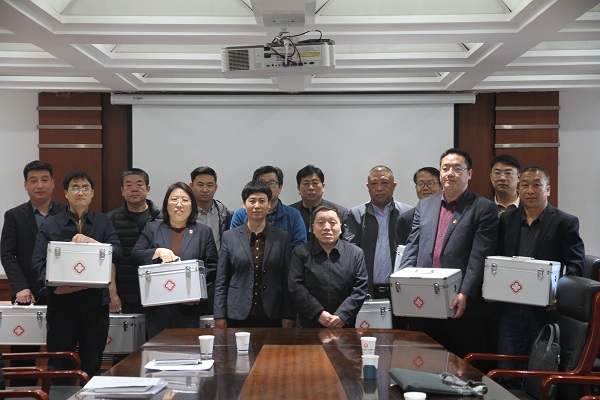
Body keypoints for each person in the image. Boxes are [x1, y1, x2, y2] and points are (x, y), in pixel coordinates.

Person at [399, 149, 499, 358]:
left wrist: (465, 292)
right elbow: (412, 247)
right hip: (426, 298)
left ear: (469, 174)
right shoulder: (425, 205)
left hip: (461, 301)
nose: (450, 173)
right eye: (445, 168)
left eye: (457, 169)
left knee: (464, 363)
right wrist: (403, 282)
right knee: (427, 359)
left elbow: (479, 255)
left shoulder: (484, 208)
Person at [497, 166, 584, 382]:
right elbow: (497, 257)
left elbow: (575, 265)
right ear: (519, 188)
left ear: (548, 190)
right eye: (525, 185)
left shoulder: (564, 222)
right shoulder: (507, 219)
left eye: (537, 185)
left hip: (544, 310)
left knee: (540, 372)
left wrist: (558, 294)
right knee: (508, 368)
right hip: (510, 307)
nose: (530, 190)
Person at [32, 171, 122, 378]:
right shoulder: (50, 224)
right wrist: (55, 287)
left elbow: (118, 252)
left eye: (85, 188)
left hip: (95, 305)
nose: (80, 192)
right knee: (59, 366)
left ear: (92, 193)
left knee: (92, 366)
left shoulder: (103, 222)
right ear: (66, 193)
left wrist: (94, 243)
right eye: (74, 188)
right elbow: (37, 263)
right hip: (61, 304)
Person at [1, 160, 66, 383]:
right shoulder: (14, 215)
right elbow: (7, 254)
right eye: (33, 180)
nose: (39, 185)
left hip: (62, 291)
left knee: (60, 349)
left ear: (53, 183)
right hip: (26, 293)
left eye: (44, 180)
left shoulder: (66, 212)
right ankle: (23, 393)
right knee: (24, 353)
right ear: (25, 185)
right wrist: (20, 287)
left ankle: (60, 392)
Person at [132, 182, 218, 339]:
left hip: (189, 308)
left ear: (192, 205)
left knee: (187, 350)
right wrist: (157, 252)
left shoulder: (203, 232)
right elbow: (136, 255)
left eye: (184, 200)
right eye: (174, 199)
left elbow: (212, 266)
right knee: (157, 351)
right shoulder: (152, 228)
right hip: (157, 307)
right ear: (166, 204)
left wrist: (196, 292)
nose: (179, 204)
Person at [214, 180, 295, 328]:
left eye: (262, 201)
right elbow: (221, 280)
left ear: (269, 205)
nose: (257, 206)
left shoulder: (282, 237)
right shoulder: (229, 237)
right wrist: (219, 314)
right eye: (252, 201)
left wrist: (288, 314)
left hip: (273, 312)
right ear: (244, 205)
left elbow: (287, 280)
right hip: (237, 312)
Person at [289, 205, 368, 328]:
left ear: (340, 227)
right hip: (308, 324)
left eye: (332, 222)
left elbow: (360, 288)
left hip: (343, 325)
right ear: (313, 228)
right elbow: (296, 286)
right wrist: (318, 313)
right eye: (320, 222)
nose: (326, 227)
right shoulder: (301, 252)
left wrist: (342, 315)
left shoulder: (355, 253)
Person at [344, 165, 412, 299]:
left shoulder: (408, 213)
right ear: (368, 186)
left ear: (394, 186)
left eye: (385, 183)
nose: (379, 188)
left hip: (401, 289)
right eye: (374, 184)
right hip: (365, 289)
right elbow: (350, 252)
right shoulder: (355, 214)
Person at [107, 168, 162, 316]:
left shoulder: (162, 217)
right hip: (125, 292)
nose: (134, 189)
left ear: (148, 189)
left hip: (158, 290)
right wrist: (112, 291)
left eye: (139, 184)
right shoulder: (111, 219)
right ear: (122, 190)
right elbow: (109, 259)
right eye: (129, 185)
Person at [230, 165, 306, 249]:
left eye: (272, 183)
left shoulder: (294, 215)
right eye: (262, 183)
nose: (267, 187)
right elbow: (234, 245)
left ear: (280, 188)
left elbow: (299, 248)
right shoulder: (240, 215)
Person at [289, 164, 348, 241]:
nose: (311, 187)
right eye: (306, 183)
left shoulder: (340, 212)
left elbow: (345, 243)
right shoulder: (290, 213)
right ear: (298, 189)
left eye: (315, 183)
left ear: (323, 187)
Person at [189, 166, 233, 251]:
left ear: (215, 188)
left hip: (218, 259)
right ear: (191, 186)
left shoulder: (227, 214)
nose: (205, 190)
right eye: (200, 185)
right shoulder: (184, 213)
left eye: (209, 185)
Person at [396, 167, 442, 245]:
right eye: (420, 184)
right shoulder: (405, 219)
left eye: (431, 183)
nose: (425, 188)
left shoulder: (450, 214)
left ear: (442, 186)